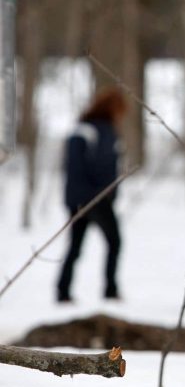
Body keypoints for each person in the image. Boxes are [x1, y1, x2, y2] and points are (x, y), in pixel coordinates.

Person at [56, 87, 127, 303]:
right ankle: (109, 289)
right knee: (114, 241)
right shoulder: (92, 131)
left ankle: (63, 290)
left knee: (77, 246)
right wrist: (97, 196)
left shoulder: (96, 131)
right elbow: (84, 167)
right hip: (93, 199)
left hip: (88, 198)